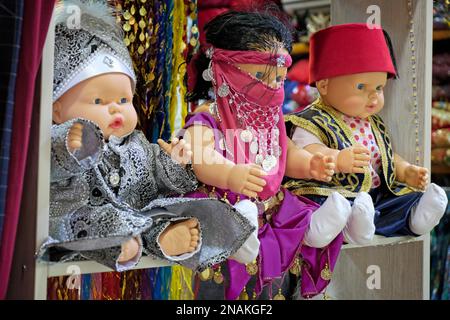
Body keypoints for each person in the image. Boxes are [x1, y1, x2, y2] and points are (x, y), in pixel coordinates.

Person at [38, 0, 256, 273]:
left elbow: (158, 180)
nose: (116, 108)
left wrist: (175, 163)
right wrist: (69, 143)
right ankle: (126, 241)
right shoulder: (64, 139)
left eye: (123, 99)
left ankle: (164, 238)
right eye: (98, 100)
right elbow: (46, 165)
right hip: (80, 218)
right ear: (56, 110)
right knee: (97, 222)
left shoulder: (136, 144)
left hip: (138, 215)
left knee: (166, 211)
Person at [182, 10, 352, 300]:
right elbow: (200, 156)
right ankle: (238, 235)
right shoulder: (207, 117)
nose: (273, 87)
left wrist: (311, 164)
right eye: (261, 76)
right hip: (224, 205)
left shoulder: (271, 120)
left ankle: (311, 230)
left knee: (290, 225)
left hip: (268, 210)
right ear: (223, 70)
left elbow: (288, 153)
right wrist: (230, 174)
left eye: (279, 79)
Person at [284, 23, 447, 243]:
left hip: (374, 197)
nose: (373, 97)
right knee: (333, 204)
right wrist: (337, 159)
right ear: (324, 85)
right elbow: (310, 151)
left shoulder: (373, 123)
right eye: (362, 88)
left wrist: (405, 170)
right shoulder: (311, 120)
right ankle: (341, 227)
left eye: (379, 88)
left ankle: (413, 218)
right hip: (333, 193)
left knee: (398, 199)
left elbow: (384, 157)